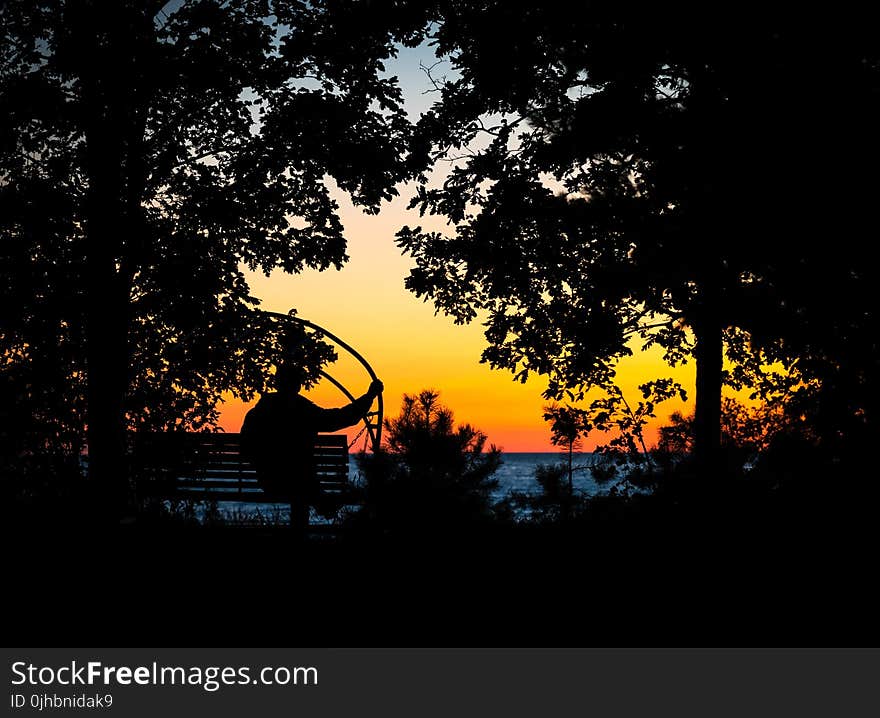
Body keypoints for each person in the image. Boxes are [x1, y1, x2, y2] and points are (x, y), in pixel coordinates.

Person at [240, 363, 383, 537]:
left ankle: (322, 503)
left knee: (303, 484)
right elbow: (339, 418)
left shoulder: (258, 412)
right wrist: (369, 397)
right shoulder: (303, 409)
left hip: (270, 481)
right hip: (300, 480)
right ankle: (321, 507)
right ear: (298, 385)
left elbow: (245, 448)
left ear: (276, 383)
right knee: (303, 484)